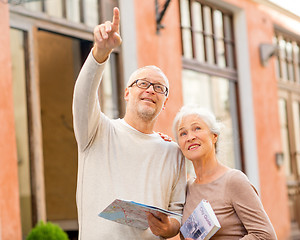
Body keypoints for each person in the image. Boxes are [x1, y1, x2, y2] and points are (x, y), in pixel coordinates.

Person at [72, 7, 186, 240]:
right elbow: (83, 96)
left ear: (164, 103)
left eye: (159, 88)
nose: (150, 90)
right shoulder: (97, 131)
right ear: (127, 93)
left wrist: (170, 228)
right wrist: (99, 54)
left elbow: (178, 211)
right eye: (142, 84)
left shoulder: (174, 152)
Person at [172, 105, 278, 240]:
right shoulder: (187, 188)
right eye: (183, 133)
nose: (190, 137)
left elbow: (265, 236)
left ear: (214, 136)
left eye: (197, 128)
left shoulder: (234, 180)